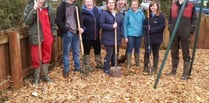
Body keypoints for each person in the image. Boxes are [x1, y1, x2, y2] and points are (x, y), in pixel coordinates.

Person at [23, 0, 56, 85]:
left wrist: (53, 33)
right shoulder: (29, 6)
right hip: (36, 35)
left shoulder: (48, 6)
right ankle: (36, 78)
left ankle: (46, 76)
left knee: (46, 56)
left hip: (47, 35)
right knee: (35, 57)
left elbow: (53, 22)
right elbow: (27, 21)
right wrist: (34, 9)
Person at [167, 0, 197, 80]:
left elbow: (194, 19)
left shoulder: (191, 5)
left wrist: (191, 29)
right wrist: (170, 27)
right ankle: (173, 70)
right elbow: (169, 18)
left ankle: (185, 73)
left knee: (185, 52)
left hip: (185, 32)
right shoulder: (173, 5)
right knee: (174, 51)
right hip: (174, 32)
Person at [55, 0, 85, 78]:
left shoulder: (76, 6)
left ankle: (77, 68)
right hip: (67, 33)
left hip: (76, 32)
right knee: (66, 52)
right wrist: (65, 30)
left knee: (76, 51)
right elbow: (58, 20)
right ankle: (66, 70)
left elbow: (80, 19)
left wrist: (81, 27)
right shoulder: (61, 7)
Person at [99, 0, 124, 74]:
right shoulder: (104, 13)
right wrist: (111, 26)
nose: (111, 4)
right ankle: (106, 68)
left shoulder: (118, 13)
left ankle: (114, 66)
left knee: (115, 52)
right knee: (109, 53)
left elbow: (121, 24)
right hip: (108, 37)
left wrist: (122, 34)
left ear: (115, 4)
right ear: (107, 4)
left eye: (112, 3)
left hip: (117, 36)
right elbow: (101, 24)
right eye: (109, 3)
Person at [143, 1, 165, 74]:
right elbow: (143, 25)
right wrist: (147, 27)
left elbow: (162, 26)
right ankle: (146, 67)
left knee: (156, 53)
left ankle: (155, 68)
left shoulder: (161, 16)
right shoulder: (147, 16)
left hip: (156, 38)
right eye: (151, 6)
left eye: (154, 6)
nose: (153, 7)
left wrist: (152, 30)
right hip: (148, 38)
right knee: (147, 53)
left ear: (157, 7)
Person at [81, 0, 103, 72]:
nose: (89, 3)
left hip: (96, 35)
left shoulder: (97, 11)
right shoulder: (82, 12)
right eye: (87, 2)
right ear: (85, 3)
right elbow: (81, 24)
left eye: (90, 2)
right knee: (86, 51)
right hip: (87, 36)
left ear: (93, 2)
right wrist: (83, 29)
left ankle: (99, 64)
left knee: (97, 49)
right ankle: (87, 65)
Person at [123, 0, 145, 69]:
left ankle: (137, 62)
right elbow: (125, 25)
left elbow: (144, 24)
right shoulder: (128, 13)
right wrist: (125, 36)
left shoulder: (141, 13)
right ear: (131, 5)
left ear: (138, 5)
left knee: (137, 49)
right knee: (129, 48)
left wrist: (144, 34)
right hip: (130, 34)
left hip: (139, 34)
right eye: (133, 4)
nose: (134, 6)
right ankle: (128, 63)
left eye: (135, 4)